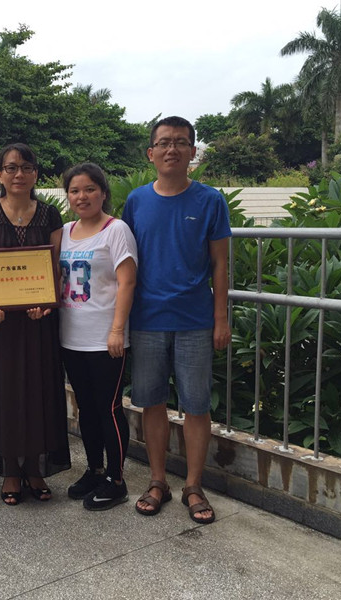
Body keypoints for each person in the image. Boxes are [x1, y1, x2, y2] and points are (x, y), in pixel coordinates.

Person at [122, 116, 231, 525]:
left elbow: (220, 264)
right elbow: (125, 262)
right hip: (146, 319)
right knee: (152, 403)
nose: (172, 149)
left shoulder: (210, 201)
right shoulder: (136, 201)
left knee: (196, 406)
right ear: (150, 153)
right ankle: (157, 481)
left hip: (195, 320)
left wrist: (221, 318)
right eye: (165, 142)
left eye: (181, 142)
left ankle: (193, 486)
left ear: (192, 152)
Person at [0, 142, 71, 505]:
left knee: (38, 389)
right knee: (5, 390)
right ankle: (11, 468)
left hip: (38, 321)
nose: (19, 174)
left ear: (36, 175)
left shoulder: (49, 215)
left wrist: (46, 303)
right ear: (0, 174)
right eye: (11, 168)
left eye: (26, 168)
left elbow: (55, 267)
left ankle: (35, 467)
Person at [59, 163, 137, 511]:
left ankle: (117, 481)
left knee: (109, 408)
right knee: (86, 408)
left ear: (103, 193)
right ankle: (95, 469)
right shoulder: (64, 231)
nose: (82, 196)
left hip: (106, 338)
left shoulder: (116, 230)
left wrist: (118, 329)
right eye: (75, 191)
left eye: (90, 189)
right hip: (70, 337)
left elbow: (128, 281)